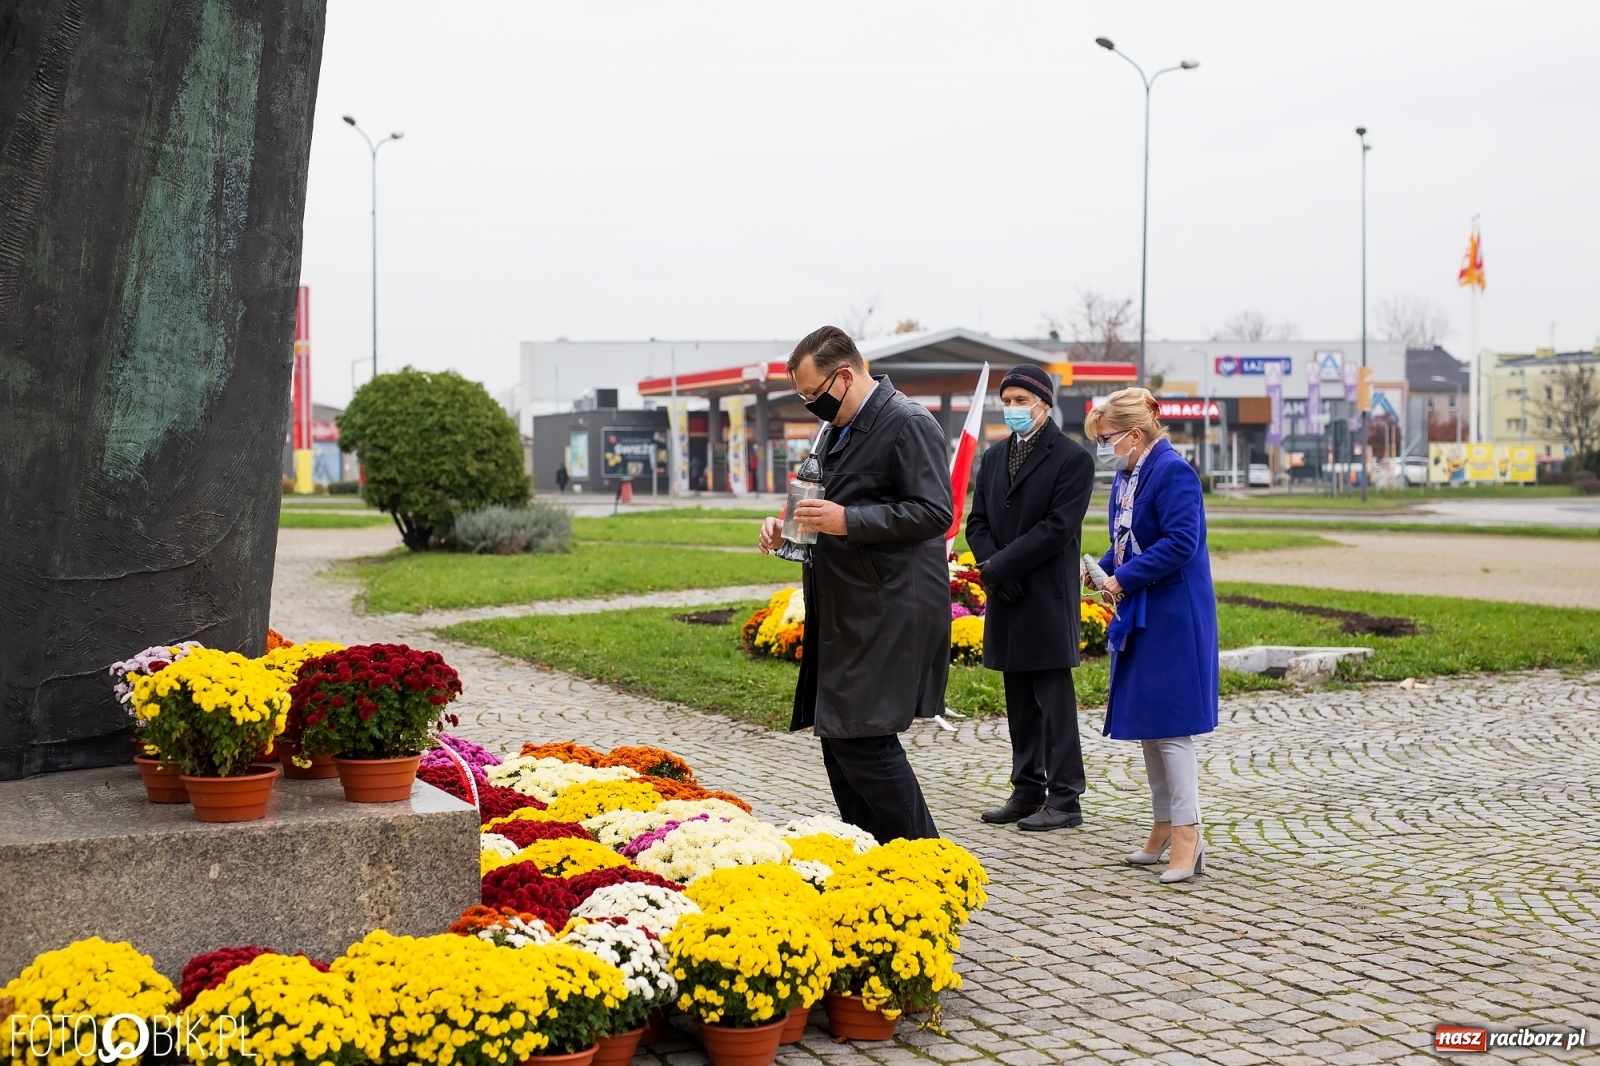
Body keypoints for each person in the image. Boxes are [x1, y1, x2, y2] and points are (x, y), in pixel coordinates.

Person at [759, 325, 952, 843]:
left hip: (888, 605)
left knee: (861, 739)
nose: (809, 406)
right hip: (844, 605)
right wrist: (787, 527)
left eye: (813, 394)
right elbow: (817, 496)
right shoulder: (835, 427)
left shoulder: (907, 422)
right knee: (840, 742)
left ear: (844, 376)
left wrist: (849, 521)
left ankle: (929, 863)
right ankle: (874, 862)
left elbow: (936, 511)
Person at [1083, 388, 1219, 884]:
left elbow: (1182, 541)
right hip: (1141, 604)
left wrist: (1125, 577)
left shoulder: (1173, 471)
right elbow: (1126, 539)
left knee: (1172, 726)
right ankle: (1163, 825)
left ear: (1135, 434)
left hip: (1172, 611)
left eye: (1108, 438)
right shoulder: (1128, 473)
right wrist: (1101, 568)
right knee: (1148, 724)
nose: (1104, 447)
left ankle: (1188, 833)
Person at [965, 364, 1096, 831]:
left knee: (1053, 703)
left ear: (1044, 403)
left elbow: (1057, 528)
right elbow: (976, 522)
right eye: (1008, 400)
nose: (1013, 408)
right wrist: (995, 568)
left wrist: (1002, 567)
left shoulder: (1073, 459)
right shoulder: (995, 456)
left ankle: (1065, 799)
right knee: (1018, 700)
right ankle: (1026, 790)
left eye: (1022, 400)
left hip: (1045, 595)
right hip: (1008, 593)